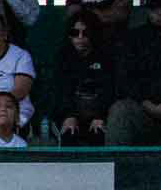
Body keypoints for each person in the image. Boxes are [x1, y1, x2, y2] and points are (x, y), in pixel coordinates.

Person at [107, 0, 161, 147]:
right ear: (147, 12)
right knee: (121, 111)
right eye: (154, 8)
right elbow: (126, 82)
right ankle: (115, 162)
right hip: (148, 115)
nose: (160, 13)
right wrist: (151, 108)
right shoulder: (134, 40)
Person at [46, 10, 120, 147]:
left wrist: (101, 116)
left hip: (98, 116)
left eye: (85, 33)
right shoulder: (62, 58)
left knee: (98, 135)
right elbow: (58, 91)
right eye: (75, 33)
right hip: (70, 115)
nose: (80, 37)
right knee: (69, 134)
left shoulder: (106, 58)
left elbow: (111, 90)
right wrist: (68, 115)